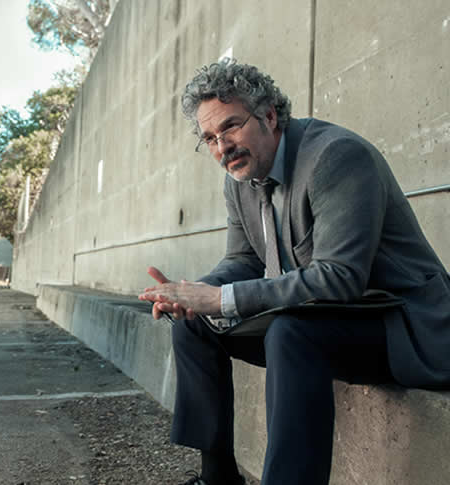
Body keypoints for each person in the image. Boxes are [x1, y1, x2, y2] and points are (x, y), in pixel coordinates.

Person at [138, 58, 450, 485]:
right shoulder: (239, 180)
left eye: (231, 127)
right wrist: (194, 293)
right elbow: (244, 260)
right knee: (195, 325)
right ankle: (217, 478)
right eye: (210, 138)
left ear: (269, 115)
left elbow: (339, 278)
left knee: (290, 333)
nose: (222, 147)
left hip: (403, 324)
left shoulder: (336, 157)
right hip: (331, 319)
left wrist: (222, 299)